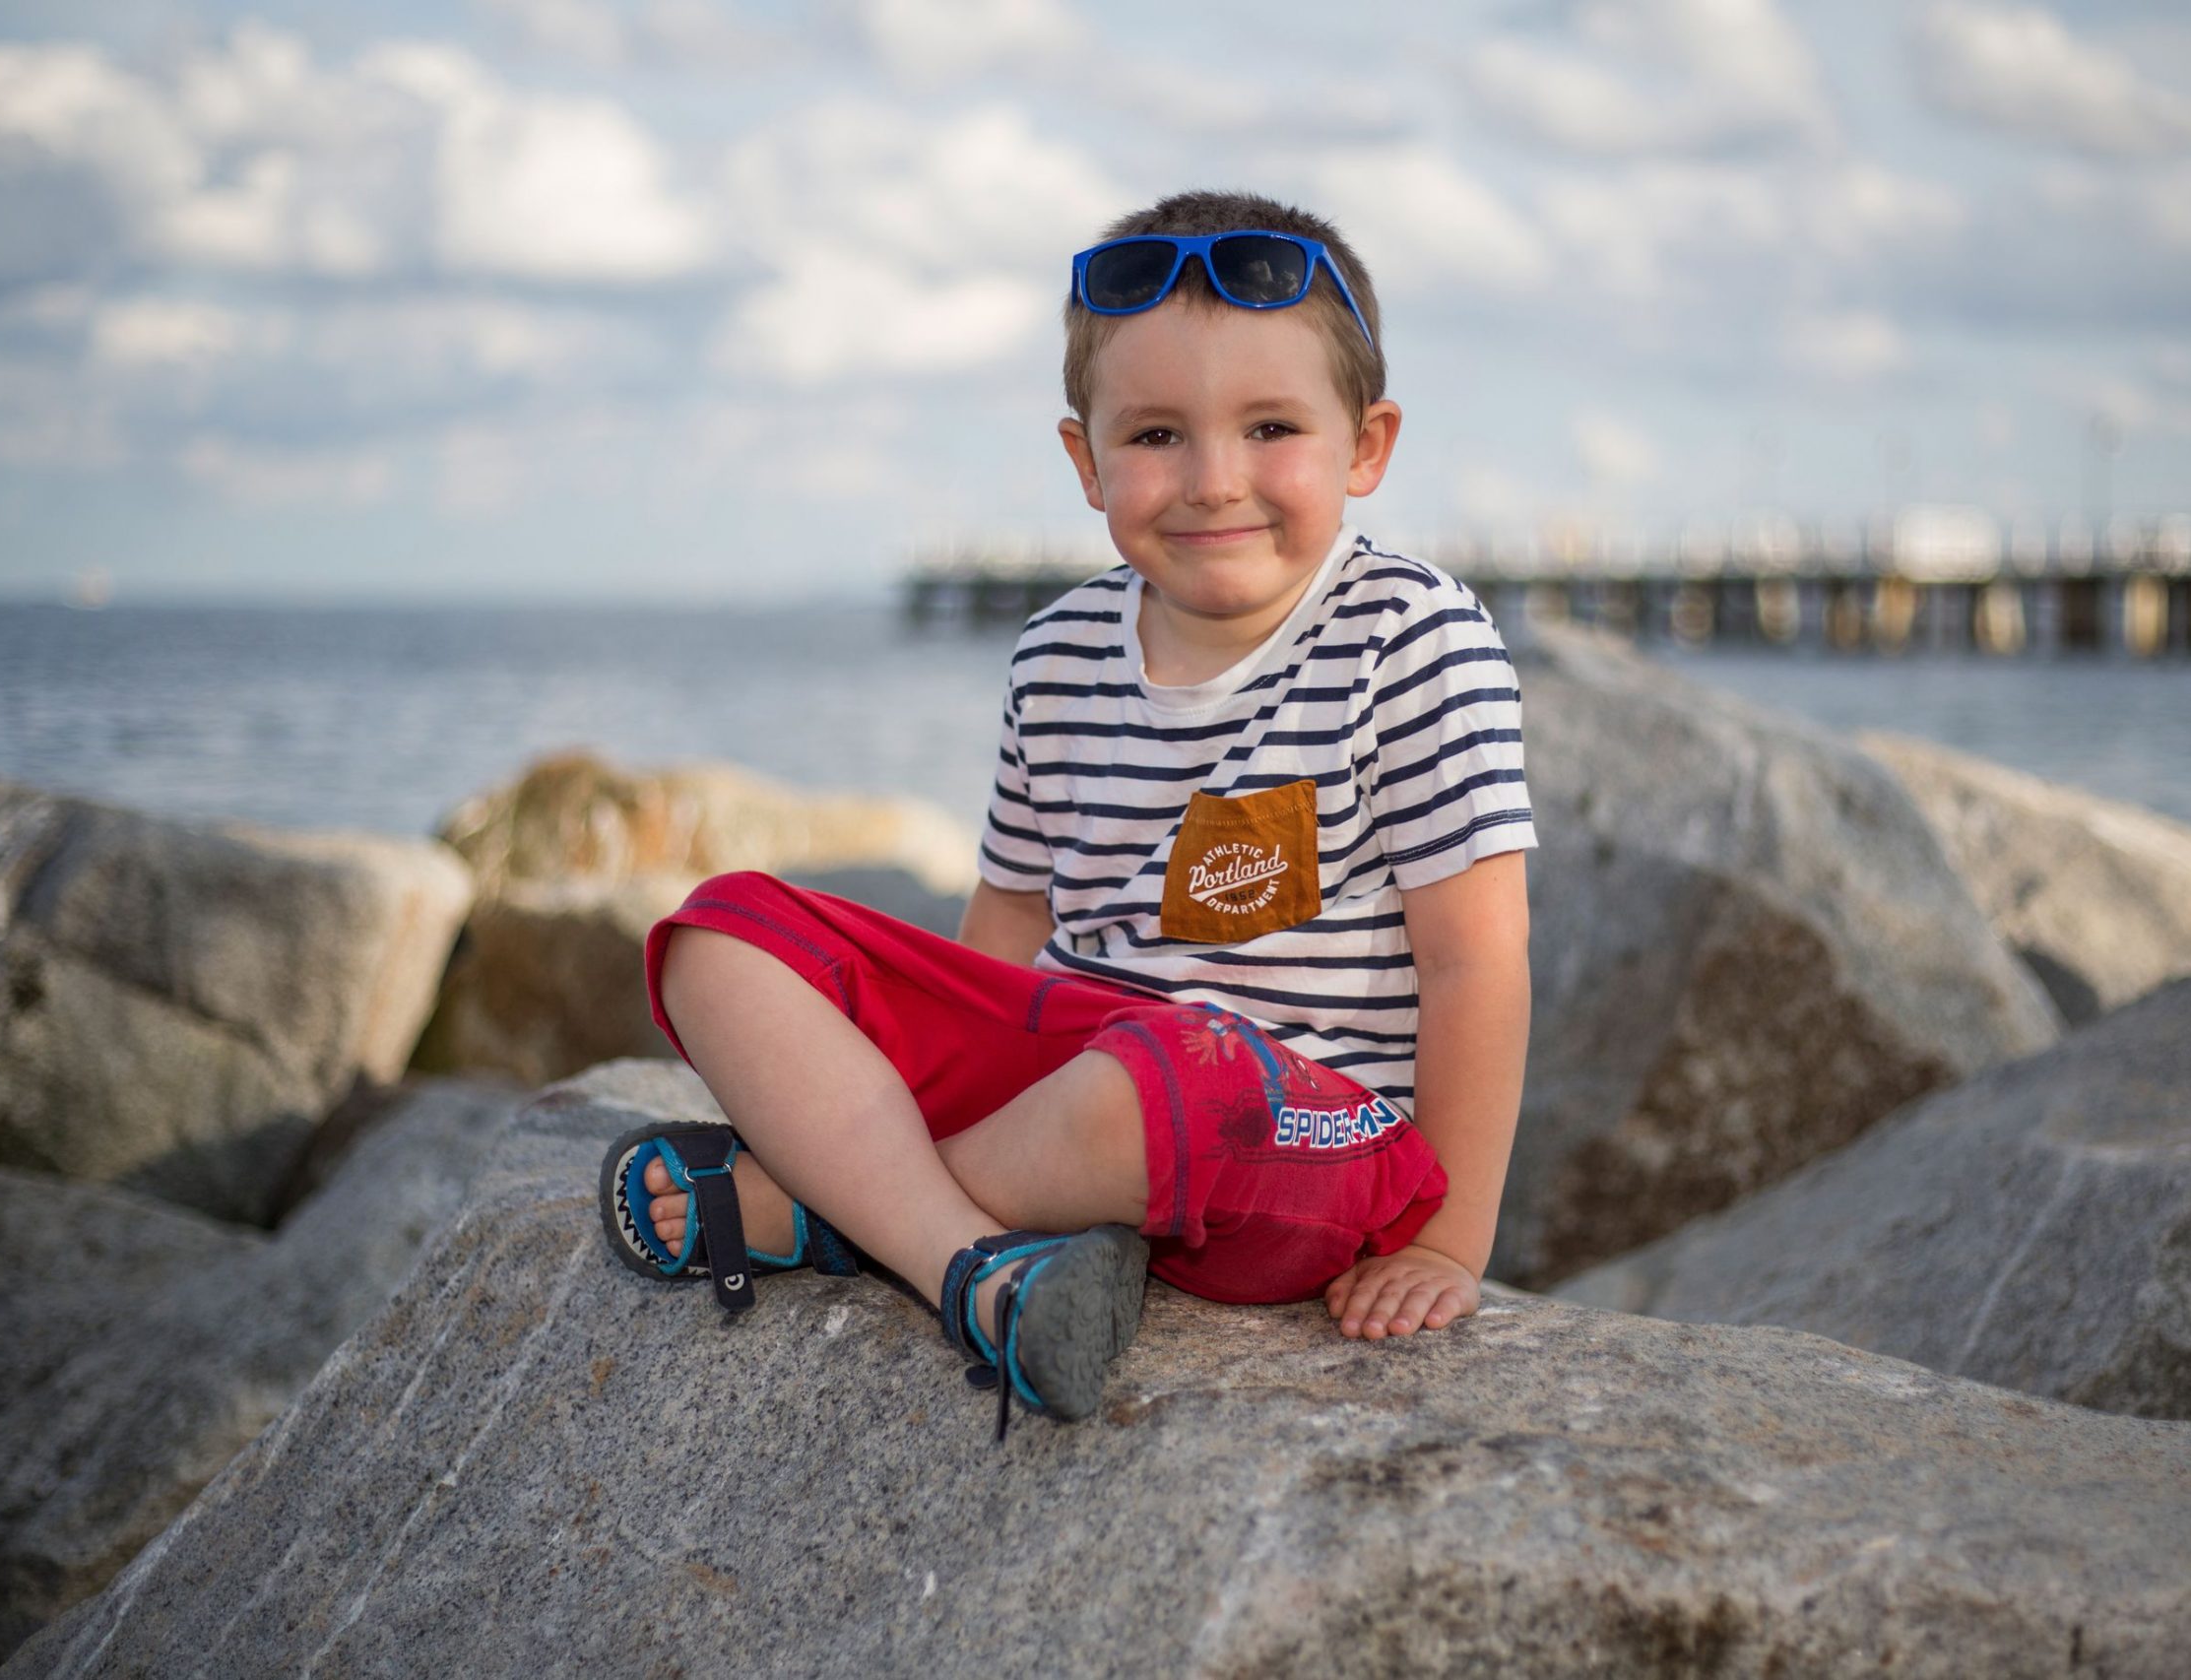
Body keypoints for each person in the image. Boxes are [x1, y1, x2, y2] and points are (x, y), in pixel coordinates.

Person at [598, 187, 1535, 1439]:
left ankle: (829, 1210)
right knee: (720, 932)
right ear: (1086, 461)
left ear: (1365, 446)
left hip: (1297, 1132)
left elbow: (1477, 959)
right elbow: (1006, 925)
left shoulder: (1412, 640)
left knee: (1146, 1081)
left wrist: (1449, 1239)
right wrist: (922, 1063)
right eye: (1155, 434)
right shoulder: (1058, 651)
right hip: (1085, 1074)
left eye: (1270, 426)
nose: (1213, 480)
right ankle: (974, 1259)